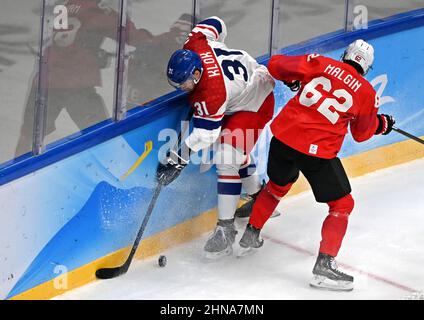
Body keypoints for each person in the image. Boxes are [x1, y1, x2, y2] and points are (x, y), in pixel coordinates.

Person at [238, 39, 396, 291]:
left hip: (283, 138)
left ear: (346, 55)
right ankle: (324, 267)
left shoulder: (320, 63)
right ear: (366, 67)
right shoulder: (366, 92)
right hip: (316, 150)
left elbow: (276, 64)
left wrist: (292, 80)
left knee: (276, 188)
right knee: (342, 204)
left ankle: (250, 236)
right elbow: (361, 133)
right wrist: (382, 124)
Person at [157, 16, 275, 259]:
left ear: (198, 74)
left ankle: (225, 228)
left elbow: (205, 135)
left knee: (227, 157)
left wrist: (178, 158)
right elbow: (216, 23)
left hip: (256, 100)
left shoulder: (211, 93)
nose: (181, 88)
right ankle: (258, 195)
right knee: (233, 151)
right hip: (236, 93)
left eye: (185, 84)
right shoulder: (195, 44)